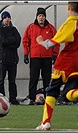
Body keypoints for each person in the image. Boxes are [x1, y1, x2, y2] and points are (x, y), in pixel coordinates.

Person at [36, 2, 78, 130]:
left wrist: (40, 41)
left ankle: (46, 122)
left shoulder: (70, 23)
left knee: (52, 91)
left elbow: (52, 43)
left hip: (66, 62)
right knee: (68, 94)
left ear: (69, 8)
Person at [22, 7, 60, 105]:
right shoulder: (31, 27)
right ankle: (31, 98)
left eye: (43, 16)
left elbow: (56, 42)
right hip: (35, 57)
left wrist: (55, 55)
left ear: (45, 17)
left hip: (47, 57)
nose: (41, 18)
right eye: (39, 16)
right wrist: (26, 54)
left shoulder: (51, 28)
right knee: (33, 79)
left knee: (47, 79)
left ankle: (48, 98)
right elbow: (25, 41)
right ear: (37, 17)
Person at [0, 11, 21, 105]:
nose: (7, 19)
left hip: (12, 59)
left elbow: (18, 41)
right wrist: (11, 41)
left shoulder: (14, 29)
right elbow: (2, 42)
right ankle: (1, 98)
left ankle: (13, 98)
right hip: (2, 59)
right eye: (5, 17)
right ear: (2, 19)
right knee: (1, 80)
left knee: (12, 81)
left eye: (8, 17)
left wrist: (9, 42)